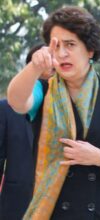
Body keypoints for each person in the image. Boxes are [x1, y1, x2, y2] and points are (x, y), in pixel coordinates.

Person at [7, 6, 100, 220]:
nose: (62, 53)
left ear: (90, 50)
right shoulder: (43, 91)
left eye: (70, 44)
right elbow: (16, 101)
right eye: (56, 45)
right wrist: (34, 67)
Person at [0, 43, 53, 220]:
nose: (48, 65)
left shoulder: (71, 107)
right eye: (42, 60)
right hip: (16, 205)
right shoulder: (7, 108)